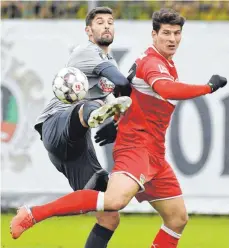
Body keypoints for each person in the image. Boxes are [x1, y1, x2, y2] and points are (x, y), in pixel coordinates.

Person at [10, 8, 227, 248]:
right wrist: (207, 87)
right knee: (114, 200)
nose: (172, 39)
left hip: (154, 154)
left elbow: (127, 96)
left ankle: (91, 115)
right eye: (166, 33)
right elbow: (164, 89)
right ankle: (34, 213)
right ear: (154, 35)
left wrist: (116, 121)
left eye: (177, 33)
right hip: (131, 146)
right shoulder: (150, 62)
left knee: (175, 218)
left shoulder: (164, 64)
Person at [10, 6, 132, 248]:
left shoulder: (109, 60)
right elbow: (120, 83)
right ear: (88, 31)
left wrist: (114, 122)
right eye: (99, 22)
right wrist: (128, 86)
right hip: (56, 125)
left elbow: (117, 91)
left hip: (76, 146)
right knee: (86, 105)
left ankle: (33, 213)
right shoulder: (86, 52)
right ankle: (94, 115)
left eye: (110, 21)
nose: (107, 25)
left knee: (109, 212)